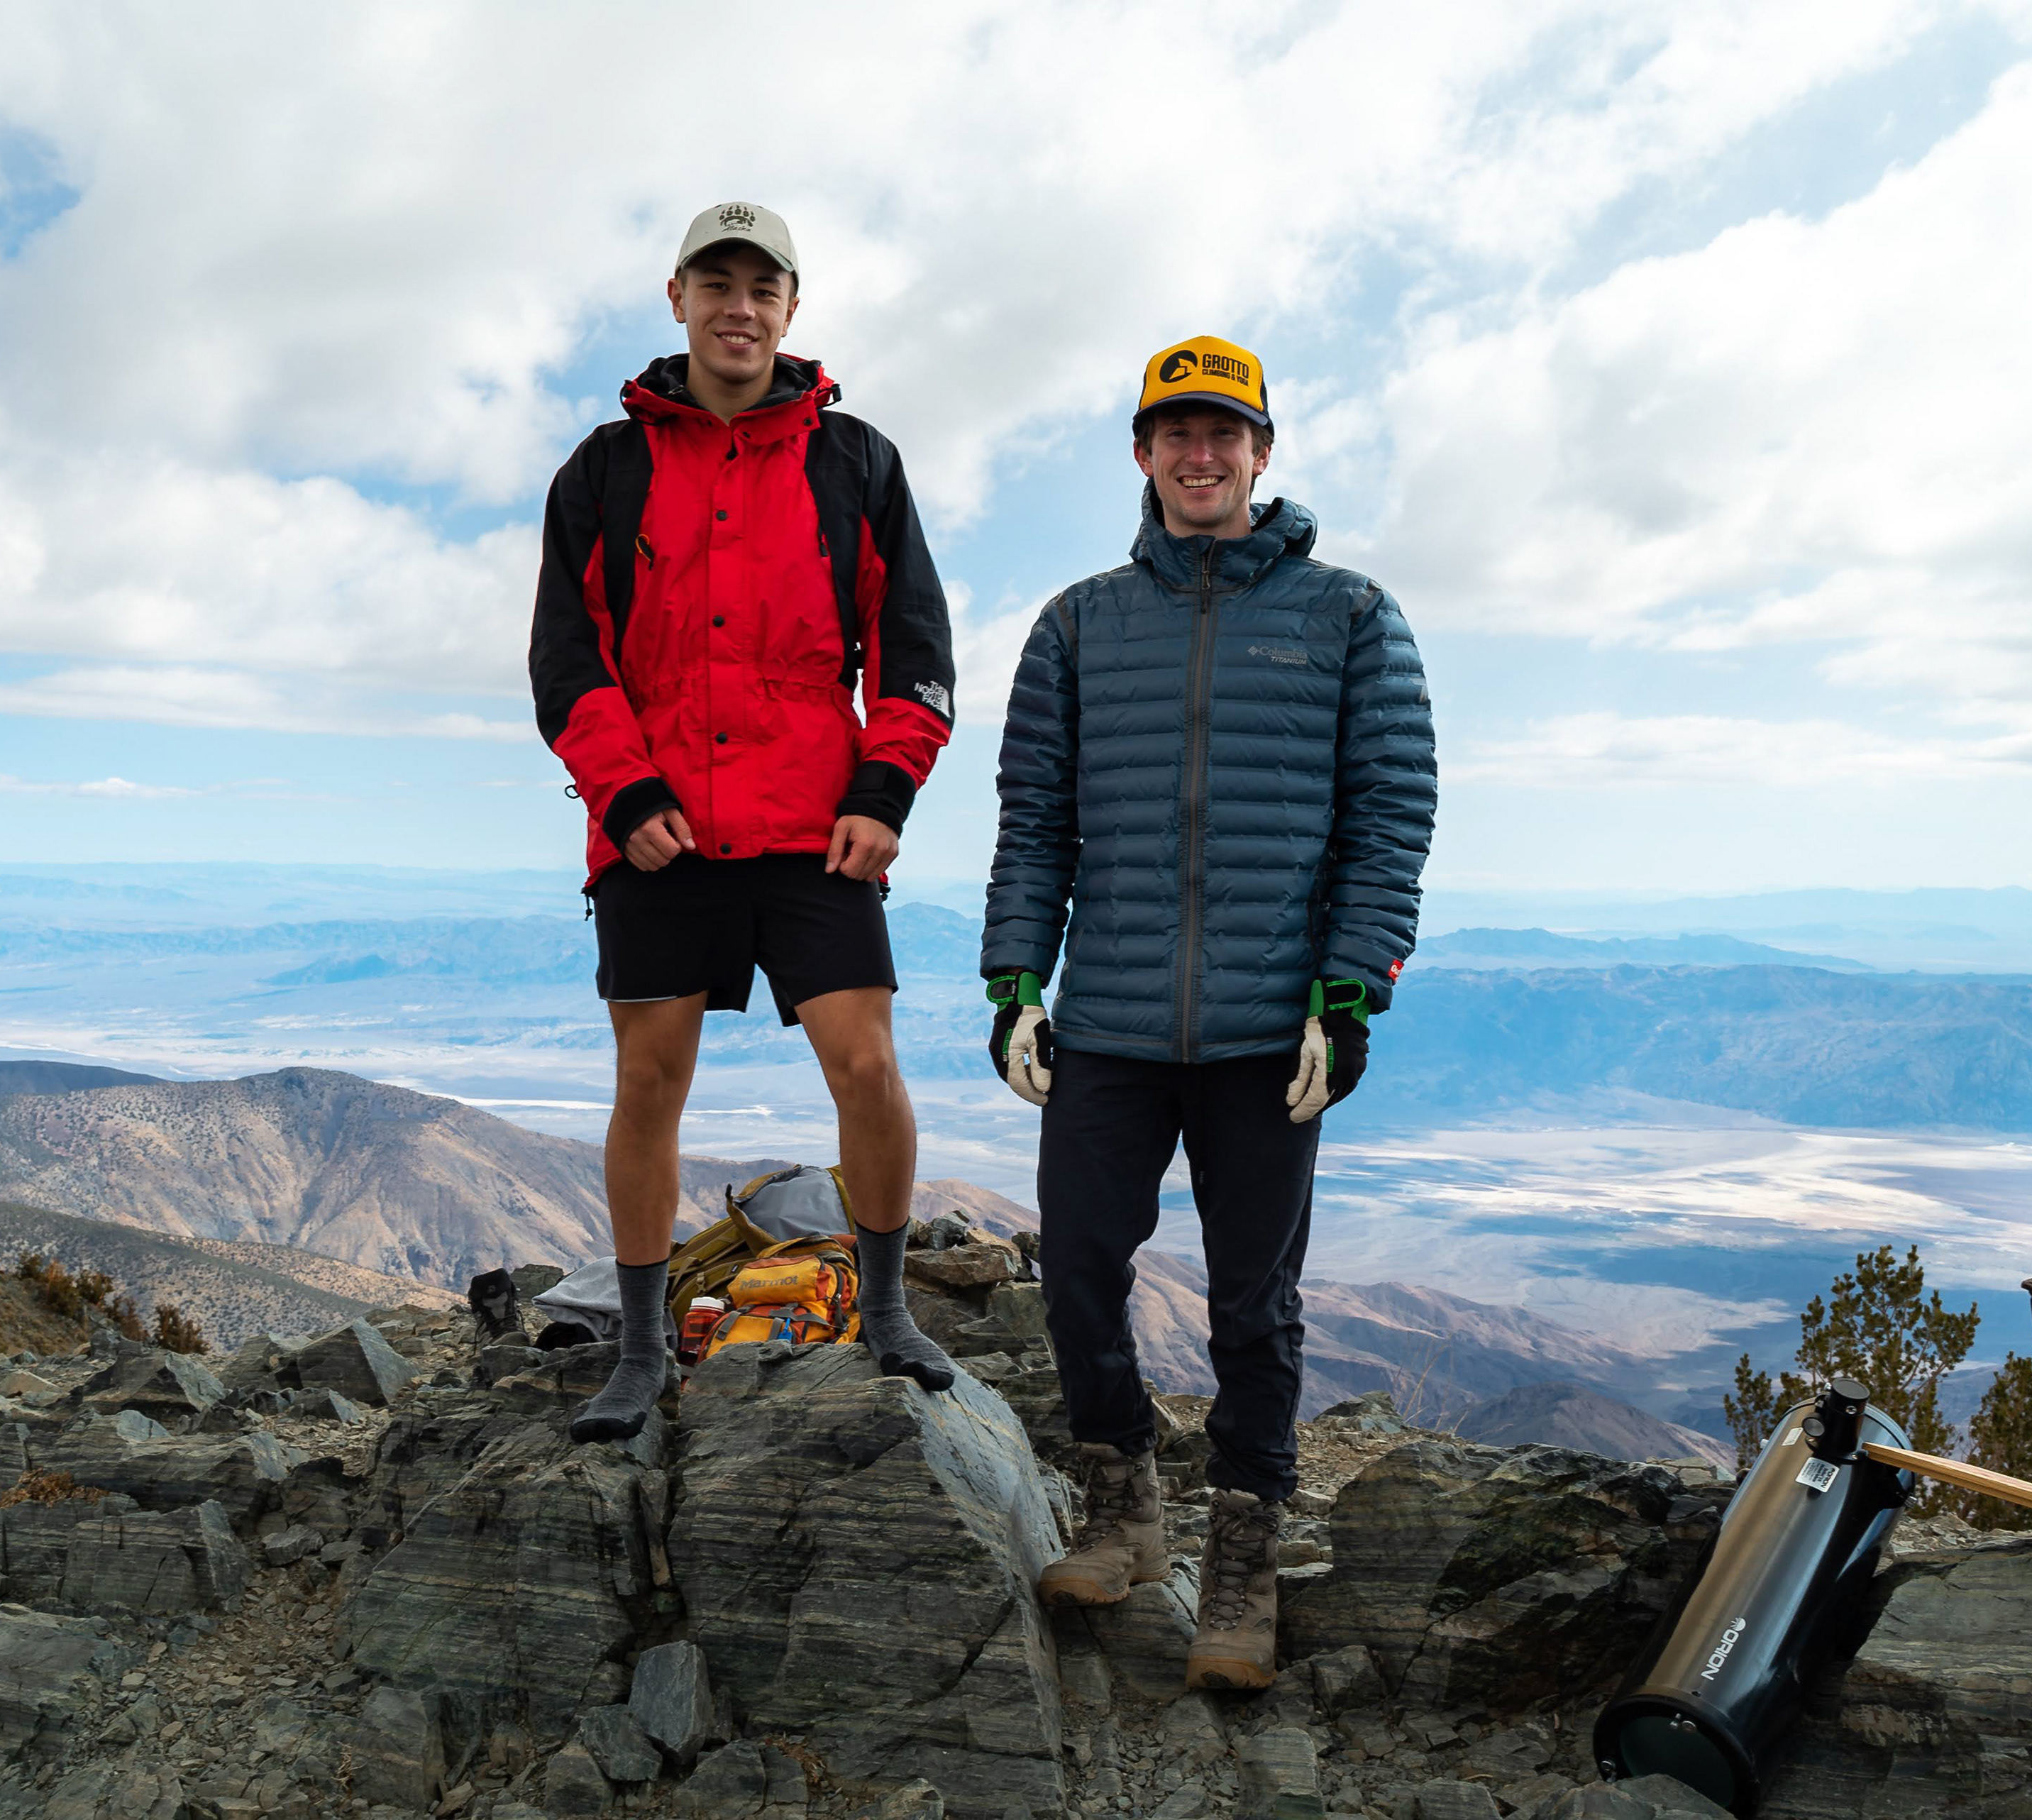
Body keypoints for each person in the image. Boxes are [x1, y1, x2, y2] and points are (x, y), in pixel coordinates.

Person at [980, 334, 1437, 1689]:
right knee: (1075, 1275)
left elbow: (1387, 822)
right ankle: (1120, 1506)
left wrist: (1347, 994)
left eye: (1223, 433)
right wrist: (1016, 980)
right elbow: (1035, 824)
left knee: (1255, 1306)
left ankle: (1243, 1561)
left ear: (1261, 451)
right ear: (1141, 455)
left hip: (1262, 1032)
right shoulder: (1076, 623)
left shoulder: (1352, 615)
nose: (1200, 454)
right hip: (1112, 1018)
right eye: (1175, 432)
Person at [529, 202, 960, 1443]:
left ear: (790, 308)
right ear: (676, 298)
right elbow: (568, 658)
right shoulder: (605, 470)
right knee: (648, 1081)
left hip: (815, 824)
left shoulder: (857, 462)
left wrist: (885, 791)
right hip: (658, 830)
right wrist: (626, 791)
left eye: (761, 286)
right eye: (715, 282)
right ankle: (644, 1348)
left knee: (866, 1065)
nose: (739, 306)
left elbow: (915, 652)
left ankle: (883, 1312)